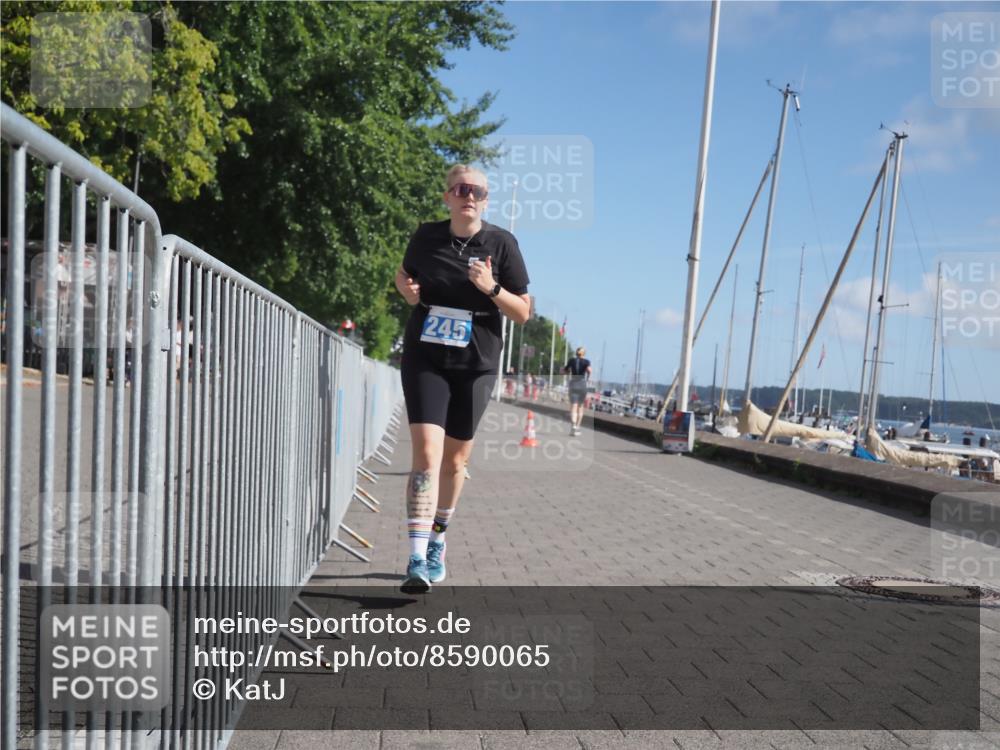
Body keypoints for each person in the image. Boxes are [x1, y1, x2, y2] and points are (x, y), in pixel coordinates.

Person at [394, 164, 531, 593]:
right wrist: (406, 290)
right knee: (427, 455)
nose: (468, 195)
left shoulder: (502, 243)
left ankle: (438, 539)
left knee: (455, 462)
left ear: (486, 200)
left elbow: (523, 312)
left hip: (477, 363)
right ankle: (417, 558)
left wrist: (492, 288)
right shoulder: (426, 236)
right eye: (460, 189)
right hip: (426, 356)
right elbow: (403, 273)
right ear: (447, 196)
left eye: (477, 191)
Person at [562, 347, 592, 436]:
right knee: (580, 407)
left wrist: (565, 371)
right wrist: (587, 378)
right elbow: (589, 370)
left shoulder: (571, 361)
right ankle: (578, 427)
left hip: (573, 384)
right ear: (584, 354)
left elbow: (565, 371)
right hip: (582, 384)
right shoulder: (586, 361)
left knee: (573, 407)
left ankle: (573, 426)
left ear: (576, 353)